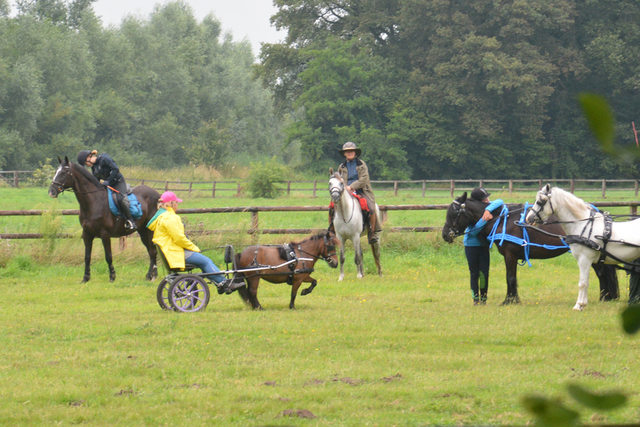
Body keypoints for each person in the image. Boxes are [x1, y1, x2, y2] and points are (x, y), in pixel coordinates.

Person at [147, 191, 244, 294]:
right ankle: (224, 284)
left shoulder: (162, 217)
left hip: (171, 251)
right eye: (176, 202)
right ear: (170, 203)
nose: (178, 204)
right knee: (205, 261)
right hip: (174, 253)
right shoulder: (169, 218)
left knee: (202, 261)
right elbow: (179, 238)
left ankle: (219, 283)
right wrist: (194, 248)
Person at [331, 141, 382, 244]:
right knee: (332, 206)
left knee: (371, 208)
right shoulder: (341, 166)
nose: (350, 153)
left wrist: (352, 186)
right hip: (346, 191)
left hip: (362, 190)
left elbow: (364, 179)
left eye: (352, 151)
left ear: (355, 152)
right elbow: (340, 180)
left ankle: (372, 232)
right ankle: (331, 231)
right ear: (344, 153)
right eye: (347, 151)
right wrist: (345, 188)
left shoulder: (362, 164)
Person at [77, 149, 136, 231]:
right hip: (108, 184)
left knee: (119, 199)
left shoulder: (104, 159)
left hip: (118, 182)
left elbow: (115, 169)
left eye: (86, 163)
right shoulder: (94, 167)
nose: (87, 165)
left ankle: (130, 221)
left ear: (88, 158)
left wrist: (107, 181)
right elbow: (96, 179)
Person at [464, 187, 504, 305]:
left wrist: (487, 210)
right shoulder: (471, 212)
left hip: (483, 245)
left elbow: (500, 201)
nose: (487, 200)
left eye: (487, 197)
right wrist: (483, 220)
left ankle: (484, 300)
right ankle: (476, 300)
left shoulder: (487, 206)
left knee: (484, 273)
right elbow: (472, 232)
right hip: (471, 245)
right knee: (474, 273)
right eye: (484, 198)